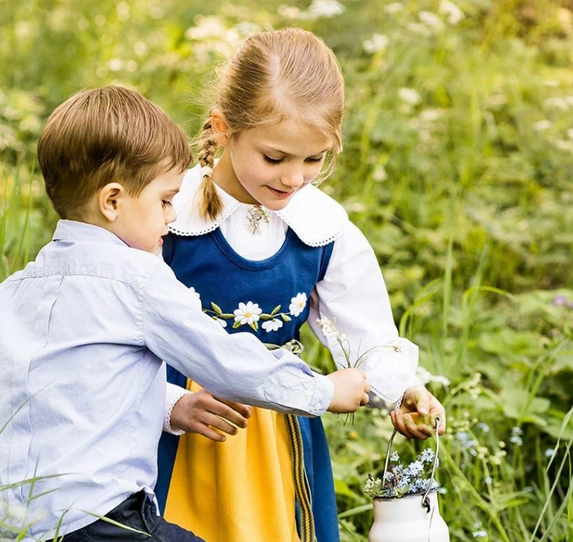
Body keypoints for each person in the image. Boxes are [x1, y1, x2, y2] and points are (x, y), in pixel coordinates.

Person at [0, 85, 372, 542]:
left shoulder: (13, 291)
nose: (172, 215)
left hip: (22, 525)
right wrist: (322, 391)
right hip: (108, 519)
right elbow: (226, 362)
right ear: (113, 201)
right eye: (163, 200)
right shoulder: (139, 280)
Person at [155, 28, 448, 542]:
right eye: (275, 158)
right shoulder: (169, 213)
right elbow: (120, 327)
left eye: (314, 160)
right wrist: (163, 404)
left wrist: (401, 389)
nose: (294, 178)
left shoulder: (320, 227)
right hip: (184, 424)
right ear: (224, 129)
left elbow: (366, 332)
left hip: (277, 431)